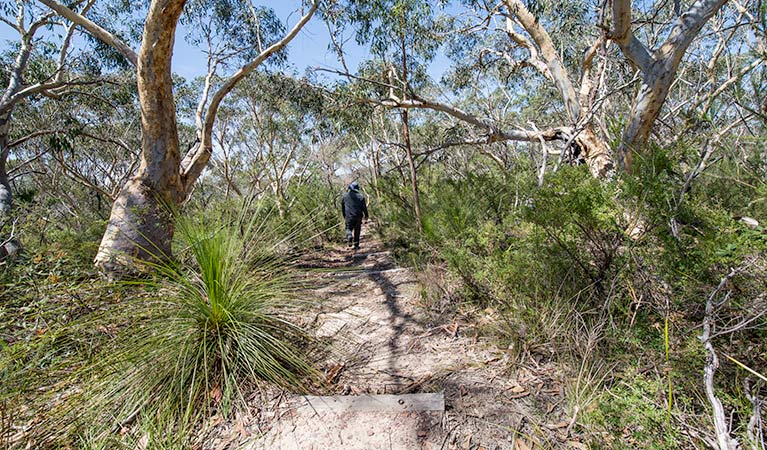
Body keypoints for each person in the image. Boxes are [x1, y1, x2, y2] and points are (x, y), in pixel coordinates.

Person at [341, 181, 369, 250]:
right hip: (358, 216)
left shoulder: (345, 196)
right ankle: (356, 245)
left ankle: (349, 236)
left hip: (349, 216)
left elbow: (343, 207)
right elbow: (364, 207)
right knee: (357, 230)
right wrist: (366, 215)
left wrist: (344, 215)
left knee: (348, 228)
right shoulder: (361, 196)